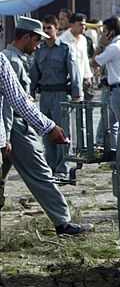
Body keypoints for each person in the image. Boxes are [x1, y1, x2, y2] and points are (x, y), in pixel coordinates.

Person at [0, 17, 92, 236]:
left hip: (16, 127)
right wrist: (9, 137)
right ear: (26, 37)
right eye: (36, 40)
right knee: (40, 174)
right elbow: (16, 102)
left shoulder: (13, 59)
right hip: (16, 129)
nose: (38, 45)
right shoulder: (8, 61)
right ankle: (63, 223)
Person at [30, 15, 81, 181]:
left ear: (57, 29)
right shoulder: (39, 50)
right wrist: (30, 94)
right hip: (45, 95)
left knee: (62, 132)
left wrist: (76, 94)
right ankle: (51, 167)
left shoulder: (65, 48)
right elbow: (34, 73)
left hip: (60, 94)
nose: (46, 31)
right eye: (44, 28)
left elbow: (74, 73)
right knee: (46, 131)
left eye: (49, 28)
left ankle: (63, 167)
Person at [92, 17, 120, 151]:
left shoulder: (113, 48)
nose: (102, 34)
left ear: (111, 32)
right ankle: (114, 154)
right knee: (112, 124)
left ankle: (118, 157)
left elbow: (94, 62)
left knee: (117, 125)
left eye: (104, 31)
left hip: (116, 90)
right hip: (118, 89)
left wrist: (100, 45)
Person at [58, 13, 93, 96]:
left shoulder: (83, 39)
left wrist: (87, 76)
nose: (83, 27)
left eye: (84, 25)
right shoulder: (62, 40)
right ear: (72, 24)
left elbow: (84, 59)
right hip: (67, 82)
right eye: (80, 24)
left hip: (81, 80)